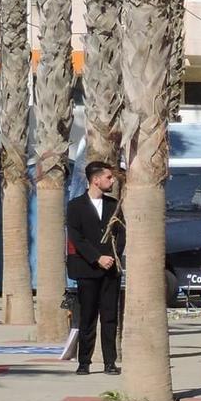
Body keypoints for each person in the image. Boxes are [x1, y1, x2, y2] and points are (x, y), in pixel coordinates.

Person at [66, 160, 125, 376]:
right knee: (88, 316)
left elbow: (121, 234)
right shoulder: (75, 206)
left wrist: (112, 256)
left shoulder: (113, 204)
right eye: (108, 177)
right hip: (87, 268)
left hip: (110, 269)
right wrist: (97, 257)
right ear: (95, 180)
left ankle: (110, 362)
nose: (112, 180)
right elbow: (76, 237)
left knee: (109, 316)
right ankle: (84, 362)